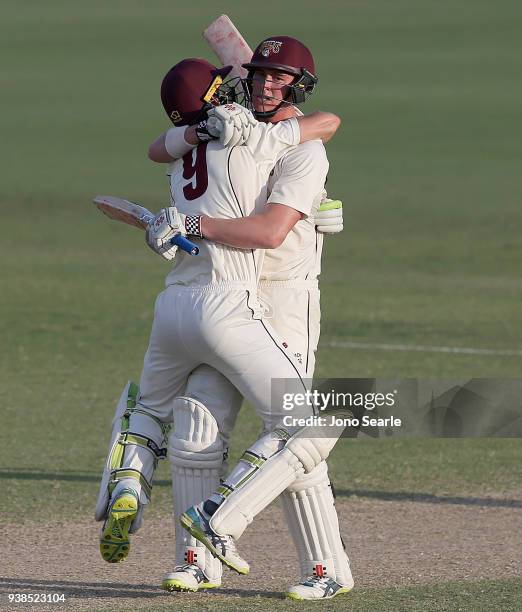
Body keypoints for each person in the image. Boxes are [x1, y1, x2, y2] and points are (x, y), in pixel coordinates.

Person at [94, 48, 349, 600]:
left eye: (278, 79)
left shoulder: (299, 148)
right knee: (196, 429)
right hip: (233, 299)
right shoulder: (228, 135)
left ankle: (325, 567)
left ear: (296, 87)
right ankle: (195, 561)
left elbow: (275, 223)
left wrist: (318, 213)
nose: (264, 86)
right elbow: (169, 148)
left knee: (296, 432)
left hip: (283, 300)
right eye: (257, 75)